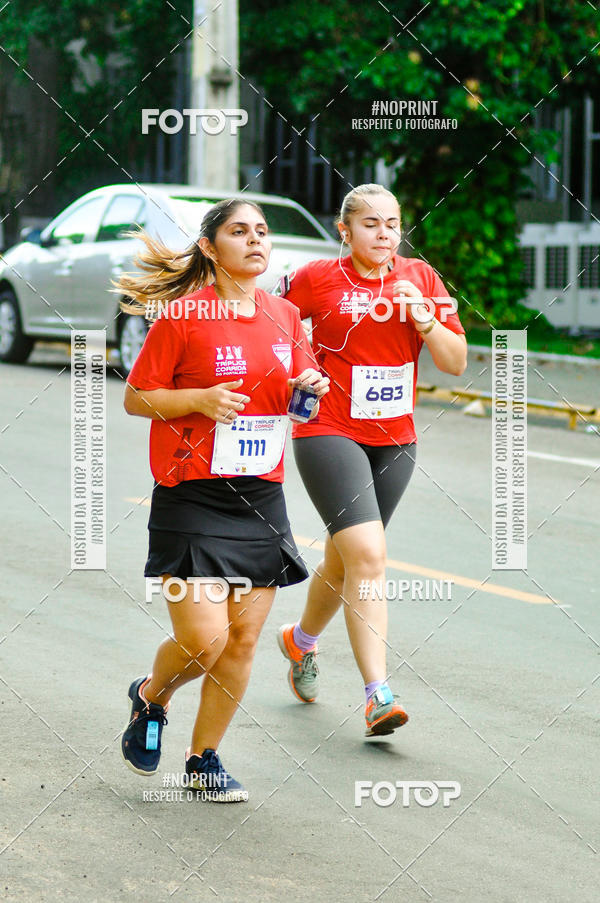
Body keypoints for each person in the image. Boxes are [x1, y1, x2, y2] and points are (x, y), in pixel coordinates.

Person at [116, 198, 329, 801]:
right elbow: (137, 398)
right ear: (210, 247)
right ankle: (151, 696)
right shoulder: (183, 316)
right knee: (204, 639)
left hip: (260, 495)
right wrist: (198, 400)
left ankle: (203, 758)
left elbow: (301, 391)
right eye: (240, 232)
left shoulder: (285, 316)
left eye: (262, 232)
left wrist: (308, 387)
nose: (256, 241)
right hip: (191, 496)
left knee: (239, 641)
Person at [276, 183, 467, 737]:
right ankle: (377, 694)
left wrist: (425, 319)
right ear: (345, 230)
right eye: (370, 224)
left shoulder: (421, 279)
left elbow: (455, 363)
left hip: (395, 437)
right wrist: (301, 366)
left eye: (392, 224)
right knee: (368, 553)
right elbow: (275, 329)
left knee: (347, 558)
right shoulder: (316, 279)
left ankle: (300, 641)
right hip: (328, 427)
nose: (383, 234)